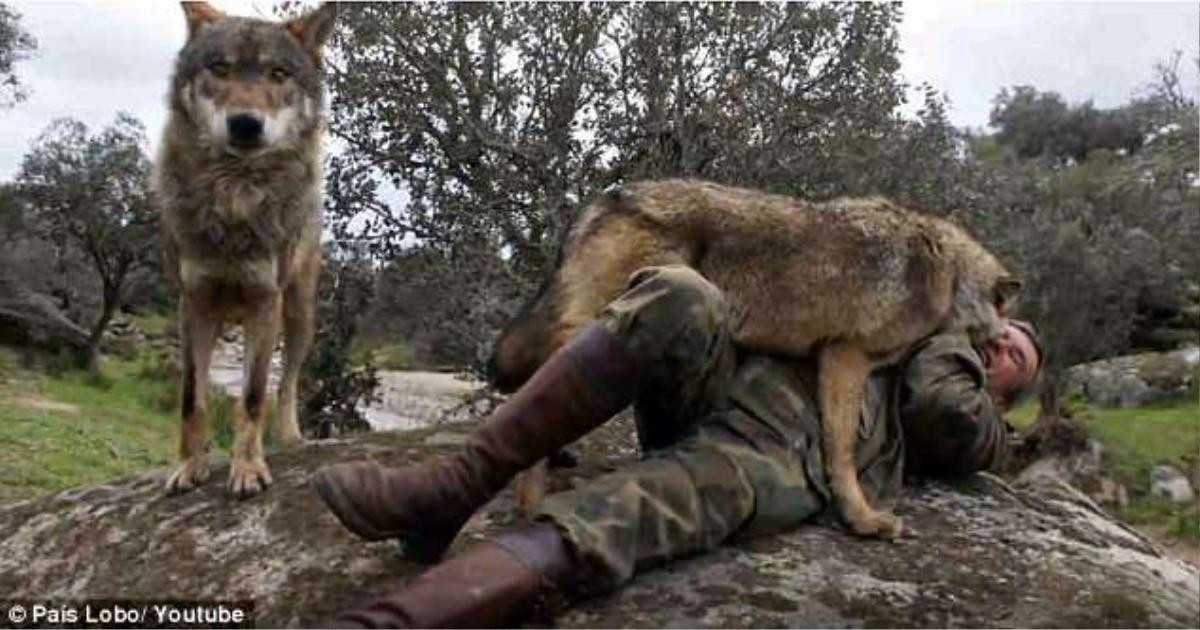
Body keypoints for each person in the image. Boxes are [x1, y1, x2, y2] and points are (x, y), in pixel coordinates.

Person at [312, 265, 1043, 628]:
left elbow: (939, 409)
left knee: (636, 503)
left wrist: (962, 344)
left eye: (1015, 356)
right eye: (1003, 335)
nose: (1003, 342)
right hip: (742, 378)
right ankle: (452, 490)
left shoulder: (981, 420)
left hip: (791, 453)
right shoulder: (906, 315)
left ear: (1006, 395)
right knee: (679, 290)